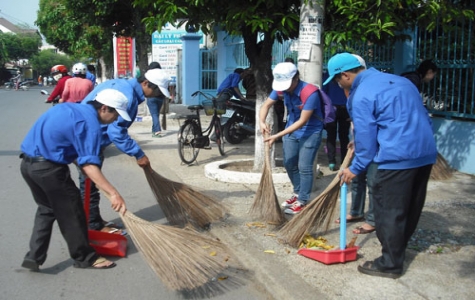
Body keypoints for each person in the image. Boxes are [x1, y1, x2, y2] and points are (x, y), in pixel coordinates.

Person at [327, 52, 437, 278]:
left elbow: (366, 138)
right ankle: (397, 252)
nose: (339, 85)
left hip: (395, 158)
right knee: (410, 208)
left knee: (388, 211)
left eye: (337, 81)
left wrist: (355, 168)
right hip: (424, 154)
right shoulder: (402, 82)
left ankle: (390, 264)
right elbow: (421, 117)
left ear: (345, 75)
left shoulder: (361, 95)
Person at [20, 89, 131, 271]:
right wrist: (113, 194)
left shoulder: (68, 109)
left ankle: (34, 256)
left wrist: (80, 162)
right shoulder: (90, 125)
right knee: (73, 212)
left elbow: (61, 142)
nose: (116, 119)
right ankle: (85, 257)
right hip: (49, 170)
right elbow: (89, 165)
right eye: (116, 114)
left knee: (47, 210)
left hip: (28, 166)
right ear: (104, 108)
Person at [79, 68, 170, 234]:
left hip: (92, 139)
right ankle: (92, 225)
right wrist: (138, 154)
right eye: (157, 90)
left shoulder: (122, 86)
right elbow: (116, 132)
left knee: (91, 185)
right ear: (145, 83)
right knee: (90, 185)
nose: (157, 95)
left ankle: (95, 220)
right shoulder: (126, 96)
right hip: (88, 141)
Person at [259, 62, 324, 214]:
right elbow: (265, 105)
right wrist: (262, 122)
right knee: (289, 164)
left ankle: (303, 200)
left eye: (287, 84)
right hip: (291, 131)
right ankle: (297, 193)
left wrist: (276, 135)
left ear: (296, 79)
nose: (284, 88)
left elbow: (302, 121)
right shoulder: (280, 89)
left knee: (304, 167)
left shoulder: (310, 93)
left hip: (310, 132)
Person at [322, 70, 351, 171]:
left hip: (331, 109)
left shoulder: (328, 76)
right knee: (344, 137)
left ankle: (332, 162)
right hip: (345, 109)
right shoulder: (347, 76)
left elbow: (323, 93)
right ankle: (344, 162)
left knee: (331, 136)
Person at [145, 62, 166, 137]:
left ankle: (157, 131)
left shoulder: (149, 76)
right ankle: (154, 130)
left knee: (154, 115)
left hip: (151, 97)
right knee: (156, 114)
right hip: (160, 97)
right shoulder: (162, 76)